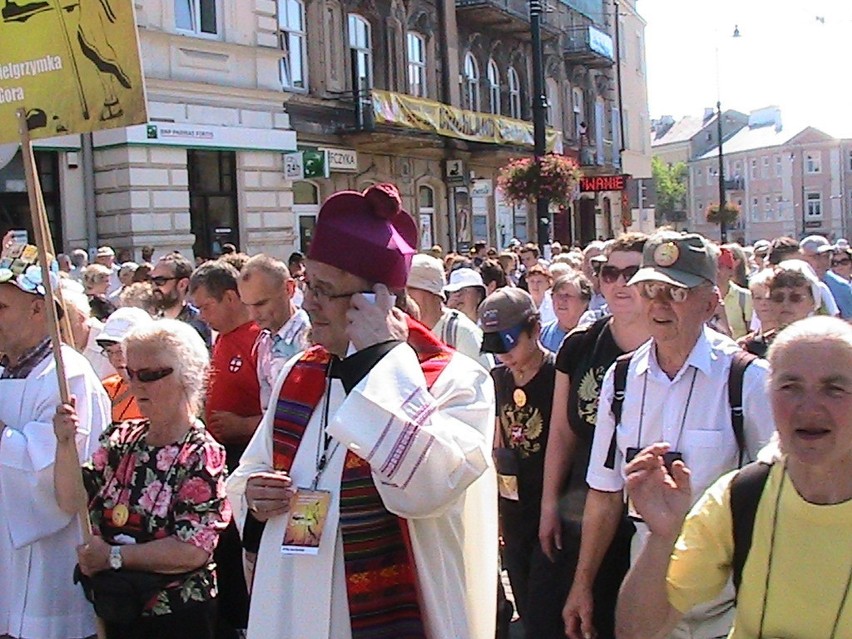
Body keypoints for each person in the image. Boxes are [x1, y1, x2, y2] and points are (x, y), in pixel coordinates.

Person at [226, 183, 497, 639]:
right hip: (293, 606)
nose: (307, 302)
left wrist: (378, 362)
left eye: (324, 290)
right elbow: (249, 471)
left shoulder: (455, 381)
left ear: (377, 301)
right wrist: (254, 496)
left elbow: (425, 489)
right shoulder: (300, 371)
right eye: (308, 284)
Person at [563, 231, 776, 639]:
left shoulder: (747, 380)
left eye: (675, 293)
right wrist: (582, 583)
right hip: (651, 611)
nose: (659, 305)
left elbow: (773, 500)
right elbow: (605, 493)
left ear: (710, 302)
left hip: (730, 614)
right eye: (650, 290)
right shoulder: (621, 379)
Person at [616, 316, 852, 639]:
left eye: (834, 389)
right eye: (790, 387)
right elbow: (639, 632)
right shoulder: (740, 496)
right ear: (768, 397)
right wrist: (661, 538)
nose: (809, 408)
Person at [52, 320, 231, 639]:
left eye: (149, 375)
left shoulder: (201, 454)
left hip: (176, 617)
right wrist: (64, 444)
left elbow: (193, 549)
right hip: (116, 609)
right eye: (130, 374)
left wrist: (113, 557)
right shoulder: (121, 439)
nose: (136, 386)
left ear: (186, 375)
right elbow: (70, 501)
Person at [539, 232, 650, 639]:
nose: (620, 283)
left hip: (643, 516)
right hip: (579, 505)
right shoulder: (580, 345)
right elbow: (562, 434)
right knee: (556, 618)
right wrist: (548, 505)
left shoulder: (668, 349)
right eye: (609, 273)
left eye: (633, 272)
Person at [0, 251, 111, 639]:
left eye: (0, 306)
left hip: (49, 565)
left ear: (38, 309)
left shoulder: (67, 377)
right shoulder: (4, 370)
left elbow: (59, 485)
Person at [479, 288, 559, 637]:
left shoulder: (559, 375)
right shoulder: (498, 379)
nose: (503, 355)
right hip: (513, 513)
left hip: (552, 511)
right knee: (526, 606)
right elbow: (497, 443)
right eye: (494, 346)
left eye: (509, 343)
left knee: (547, 613)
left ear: (535, 329)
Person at [189, 259, 261, 638]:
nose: (203, 316)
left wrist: (244, 426)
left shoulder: (257, 339)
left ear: (231, 297)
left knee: (238, 548)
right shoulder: (223, 338)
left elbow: (280, 409)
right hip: (220, 456)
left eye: (207, 306)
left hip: (247, 460)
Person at [238, 254, 311, 412]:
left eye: (261, 304)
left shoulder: (311, 339)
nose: (253, 315)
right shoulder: (264, 341)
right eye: (247, 305)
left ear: (289, 289)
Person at [405, 253, 493, 370]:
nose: (404, 298)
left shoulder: (462, 332)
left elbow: (486, 379)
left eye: (410, 289)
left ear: (431, 291)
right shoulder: (402, 331)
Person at [96, 307, 155, 422]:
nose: (115, 359)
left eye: (121, 350)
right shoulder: (106, 389)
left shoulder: (164, 390)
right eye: (109, 352)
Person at [150, 253, 212, 348]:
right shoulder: (151, 324)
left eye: (160, 281)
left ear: (182, 284)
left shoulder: (200, 325)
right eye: (151, 281)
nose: (154, 286)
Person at [800, 234, 852, 319]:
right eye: (815, 257)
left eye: (826, 256)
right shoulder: (791, 283)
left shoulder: (841, 287)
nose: (822, 262)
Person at [539, 272, 592, 353]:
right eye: (557, 295)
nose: (561, 301)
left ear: (585, 301)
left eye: (568, 295)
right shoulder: (542, 335)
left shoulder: (594, 336)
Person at [716, 246, 752, 340]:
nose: (717, 271)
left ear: (731, 270)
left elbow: (753, 332)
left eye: (720, 266)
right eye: (713, 267)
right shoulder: (702, 298)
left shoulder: (745, 297)